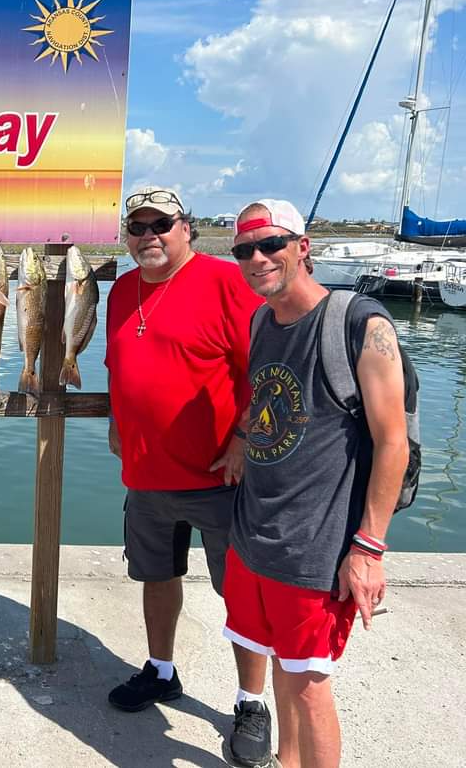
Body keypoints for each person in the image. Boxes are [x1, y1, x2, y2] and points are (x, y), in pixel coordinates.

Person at [225, 199, 408, 768]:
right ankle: (285, 761)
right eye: (243, 250)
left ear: (303, 247)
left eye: (271, 244)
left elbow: (393, 442)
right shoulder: (261, 320)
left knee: (309, 686)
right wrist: (239, 437)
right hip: (254, 532)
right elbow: (268, 399)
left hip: (314, 546)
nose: (257, 258)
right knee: (279, 661)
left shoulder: (360, 324)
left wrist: (369, 548)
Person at [104, 185, 272, 767]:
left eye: (161, 225)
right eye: (138, 227)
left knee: (242, 595)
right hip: (147, 476)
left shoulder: (227, 282)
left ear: (187, 228)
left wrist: (245, 441)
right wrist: (119, 424)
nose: (149, 236)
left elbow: (270, 369)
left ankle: (251, 702)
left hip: (220, 478)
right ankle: (161, 670)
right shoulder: (122, 291)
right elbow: (123, 365)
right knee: (156, 576)